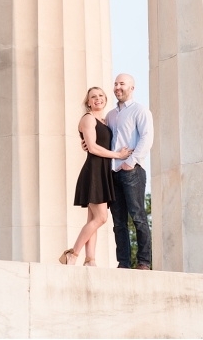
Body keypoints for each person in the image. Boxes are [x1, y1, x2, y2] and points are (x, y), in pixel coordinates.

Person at [60, 87, 133, 266]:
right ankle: (73, 253)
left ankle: (90, 260)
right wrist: (118, 155)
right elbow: (92, 147)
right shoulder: (88, 118)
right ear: (88, 102)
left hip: (103, 171)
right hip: (94, 171)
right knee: (101, 218)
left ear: (105, 99)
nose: (97, 99)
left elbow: (93, 143)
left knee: (93, 219)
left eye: (100, 96)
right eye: (93, 97)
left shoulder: (105, 120)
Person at [105, 73, 154, 269]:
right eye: (115, 83)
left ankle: (143, 262)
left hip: (132, 172)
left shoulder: (140, 111)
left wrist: (131, 162)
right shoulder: (110, 115)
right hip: (113, 173)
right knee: (118, 222)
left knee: (138, 217)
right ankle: (123, 263)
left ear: (132, 88)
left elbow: (147, 138)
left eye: (122, 84)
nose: (118, 87)